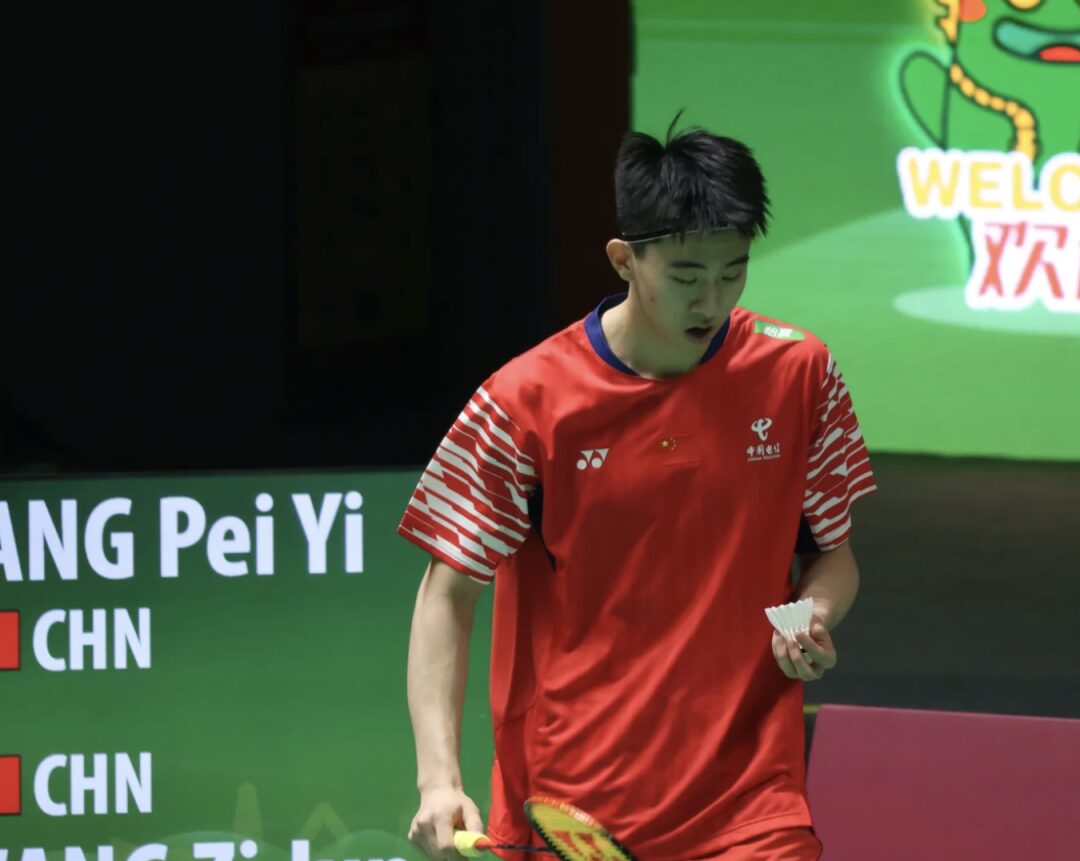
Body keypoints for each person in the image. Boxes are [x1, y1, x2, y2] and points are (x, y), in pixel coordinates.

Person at [399, 118, 876, 861]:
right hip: (573, 804)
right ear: (625, 259)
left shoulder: (799, 374)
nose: (711, 300)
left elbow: (832, 557)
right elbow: (446, 593)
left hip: (750, 799)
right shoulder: (525, 401)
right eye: (686, 277)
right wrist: (438, 779)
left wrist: (811, 616)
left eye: (733, 272)